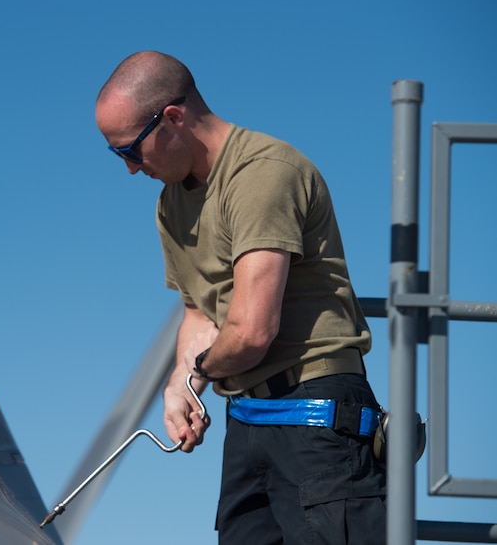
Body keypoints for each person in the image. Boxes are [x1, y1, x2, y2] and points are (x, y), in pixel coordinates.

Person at [95, 51, 386, 544]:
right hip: (248, 424)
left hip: (317, 420)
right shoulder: (171, 203)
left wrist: (201, 371)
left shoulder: (262, 173)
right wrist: (179, 388)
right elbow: (198, 312)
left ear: (172, 118)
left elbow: (251, 332)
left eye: (130, 151)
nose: (129, 168)